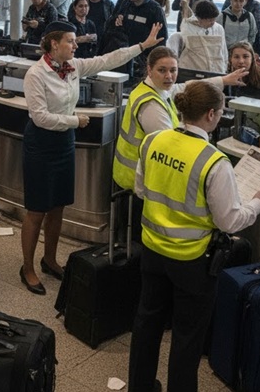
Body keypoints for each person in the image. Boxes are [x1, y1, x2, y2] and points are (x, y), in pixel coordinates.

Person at [127, 80, 260, 392]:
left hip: (152, 250)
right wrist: (258, 203)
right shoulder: (213, 161)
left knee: (147, 322)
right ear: (210, 114)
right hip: (191, 260)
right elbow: (229, 221)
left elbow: (141, 189)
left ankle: (140, 386)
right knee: (187, 337)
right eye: (220, 113)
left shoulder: (153, 140)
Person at [20, 21, 164, 295]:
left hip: (64, 142)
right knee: (37, 209)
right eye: (71, 41)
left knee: (58, 206)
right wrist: (75, 121)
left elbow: (108, 59)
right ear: (54, 44)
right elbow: (39, 117)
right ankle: (27, 268)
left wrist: (142, 46)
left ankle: (49, 259)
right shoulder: (36, 74)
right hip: (41, 143)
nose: (76, 45)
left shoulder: (73, 67)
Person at [112, 47, 249, 243]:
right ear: (149, 70)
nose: (169, 76)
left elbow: (184, 86)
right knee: (138, 241)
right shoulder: (151, 106)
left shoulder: (155, 89)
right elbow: (171, 147)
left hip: (137, 178)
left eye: (173, 70)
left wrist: (223, 80)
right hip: (135, 182)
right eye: (162, 70)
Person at [108, 0, 168, 81]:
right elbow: (114, 23)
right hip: (127, 54)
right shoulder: (126, 3)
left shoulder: (155, 9)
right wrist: (118, 19)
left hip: (146, 56)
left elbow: (162, 37)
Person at [168, 0, 228, 74]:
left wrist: (224, 68)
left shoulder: (218, 28)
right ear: (199, 18)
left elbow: (223, 51)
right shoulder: (187, 27)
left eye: (214, 19)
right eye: (209, 20)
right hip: (192, 69)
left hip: (215, 69)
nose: (212, 23)